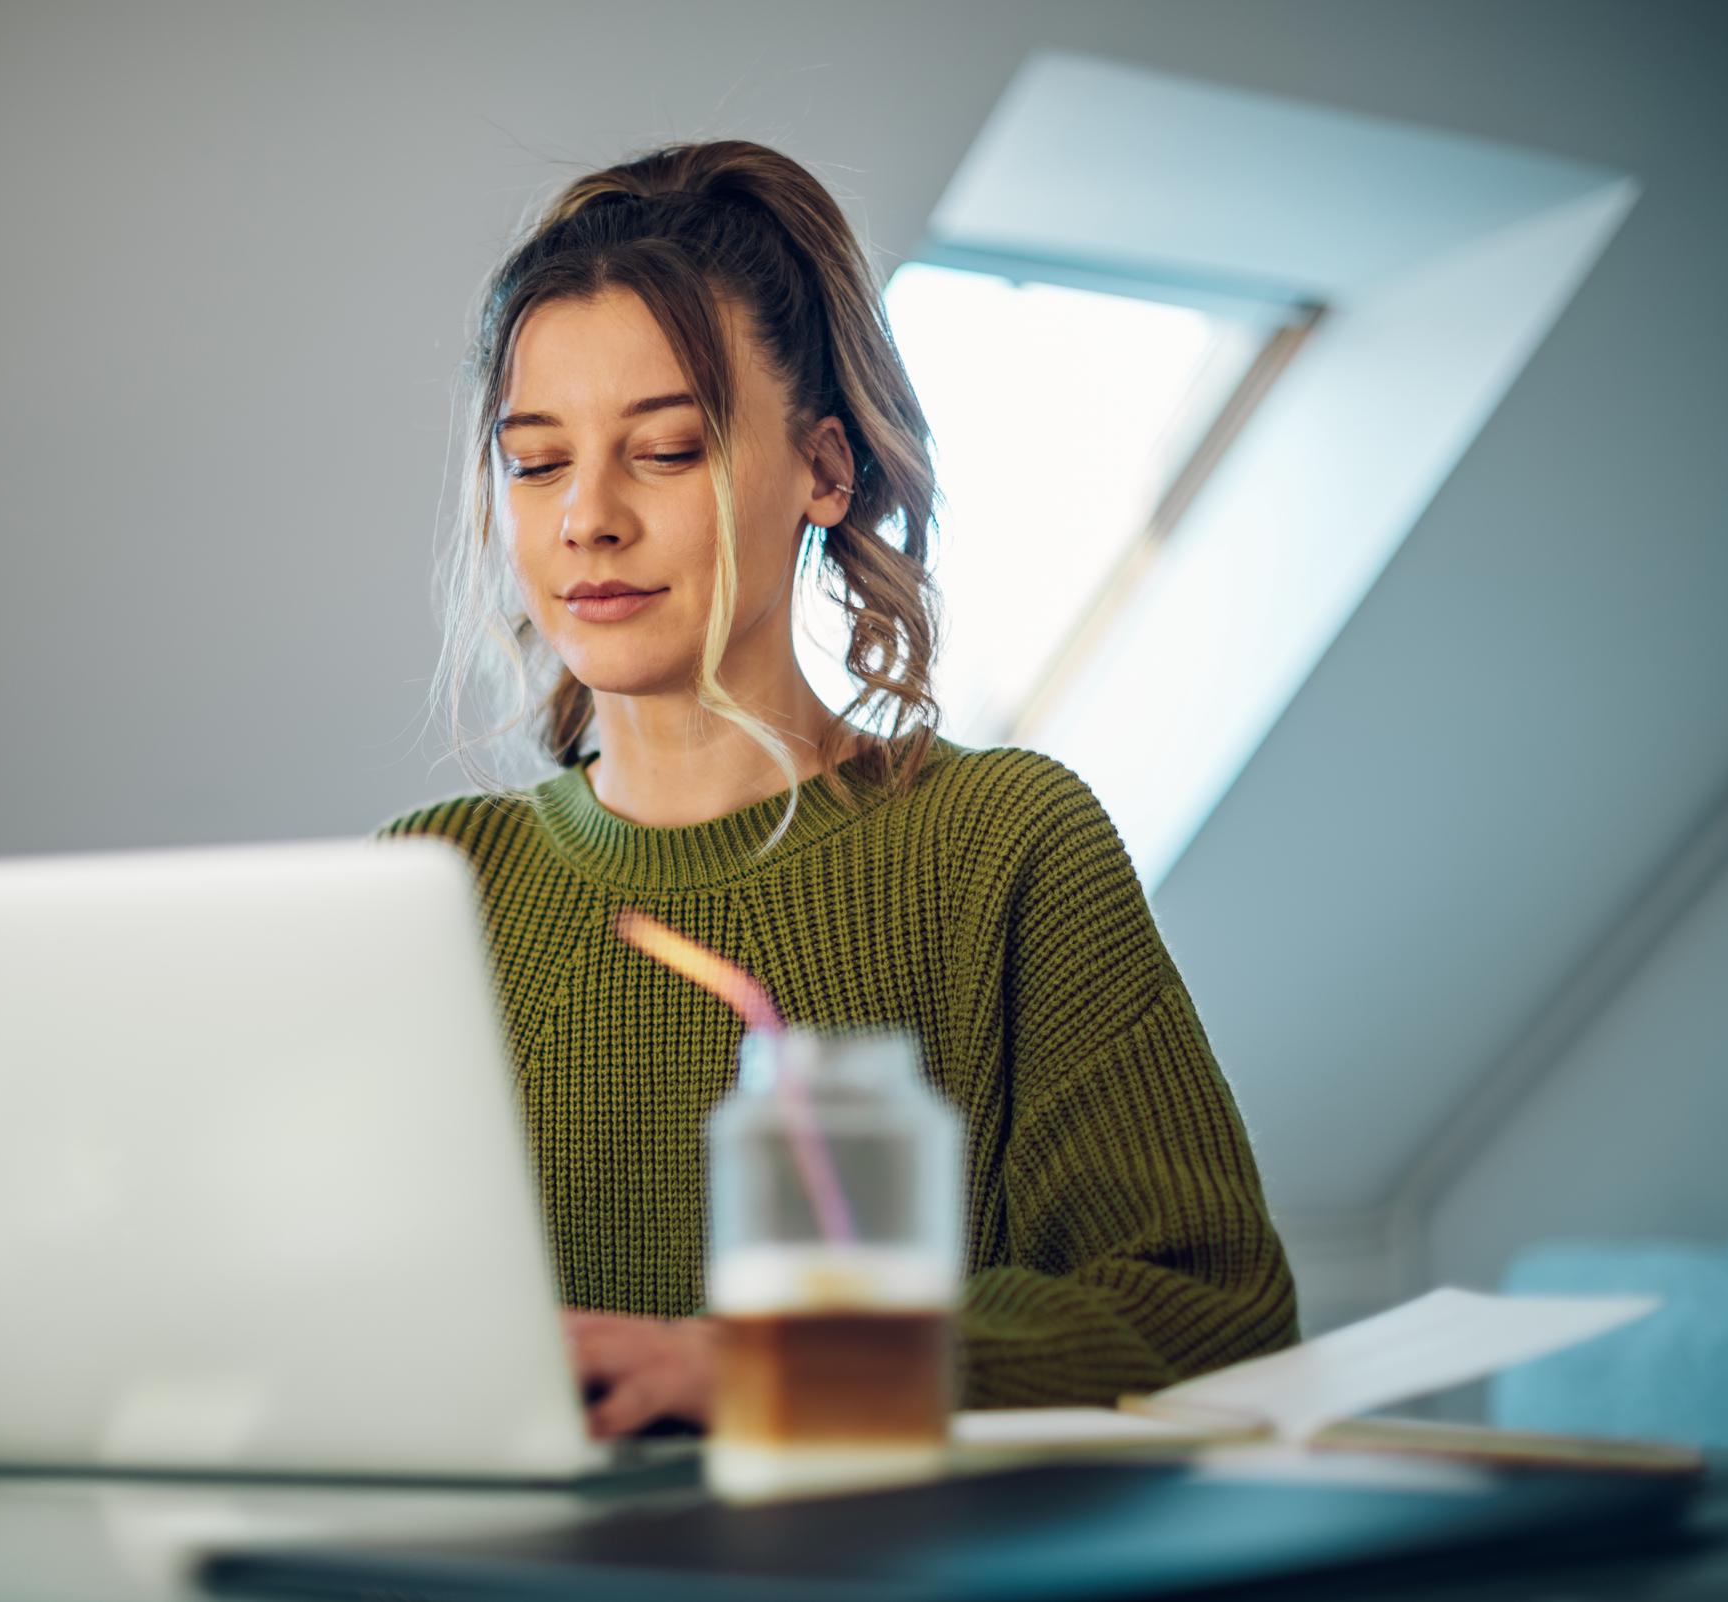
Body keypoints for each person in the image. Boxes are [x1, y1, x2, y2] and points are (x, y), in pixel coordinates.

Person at [381, 139, 1298, 1440]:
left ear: (825, 468)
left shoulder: (1007, 847)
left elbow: (1214, 1314)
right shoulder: (431, 887)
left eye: (666, 449)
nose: (586, 516)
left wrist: (774, 1368)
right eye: (535, 462)